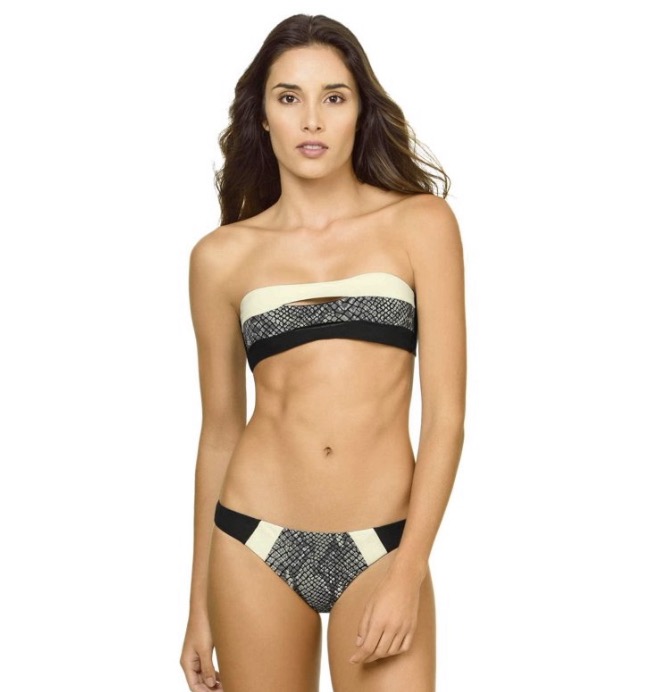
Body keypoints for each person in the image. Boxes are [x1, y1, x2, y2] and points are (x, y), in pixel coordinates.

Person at [180, 13, 466, 692]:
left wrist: (408, 571)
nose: (311, 119)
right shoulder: (221, 258)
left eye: (334, 97)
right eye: (289, 97)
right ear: (262, 116)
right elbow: (220, 431)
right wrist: (198, 606)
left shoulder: (420, 224)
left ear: (360, 110)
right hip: (251, 541)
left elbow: (446, 420)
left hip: (384, 544)